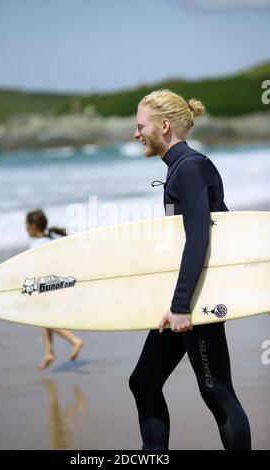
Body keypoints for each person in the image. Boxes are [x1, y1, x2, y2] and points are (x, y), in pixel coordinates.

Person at [129, 90, 251, 450]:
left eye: (141, 126)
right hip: (184, 297)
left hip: (197, 300)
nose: (136, 134)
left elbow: (200, 236)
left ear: (164, 126)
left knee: (216, 391)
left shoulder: (192, 166)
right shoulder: (180, 169)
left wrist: (183, 305)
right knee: (144, 381)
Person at [26, 209, 84, 370]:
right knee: (45, 320)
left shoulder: (36, 244)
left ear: (32, 226)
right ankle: (49, 352)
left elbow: (35, 267)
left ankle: (74, 341)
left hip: (47, 285)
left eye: (26, 226)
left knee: (45, 320)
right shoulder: (49, 238)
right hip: (57, 282)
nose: (26, 230)